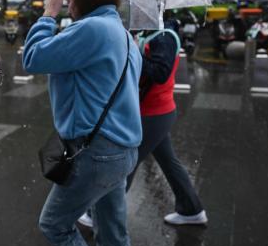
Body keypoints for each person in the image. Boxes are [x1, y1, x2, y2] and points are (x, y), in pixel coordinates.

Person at [23, 0, 142, 246]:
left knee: (55, 225)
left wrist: (48, 15)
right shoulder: (124, 35)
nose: (68, 4)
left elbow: (34, 57)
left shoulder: (92, 29)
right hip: (123, 150)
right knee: (112, 232)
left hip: (96, 153)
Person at [79, 18, 207, 229]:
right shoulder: (153, 32)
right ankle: (192, 209)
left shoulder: (164, 36)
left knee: (125, 165)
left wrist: (132, 51)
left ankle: (99, 217)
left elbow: (159, 73)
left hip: (154, 113)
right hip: (153, 112)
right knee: (169, 162)